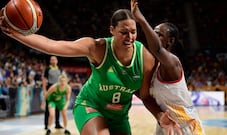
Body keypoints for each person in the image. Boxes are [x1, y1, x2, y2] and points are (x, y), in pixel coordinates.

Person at [0, 6, 181, 135]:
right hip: (90, 106)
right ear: (112, 30)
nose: (130, 37)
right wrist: (16, 34)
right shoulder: (97, 47)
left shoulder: (145, 58)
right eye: (124, 32)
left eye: (133, 32)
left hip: (119, 115)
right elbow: (52, 45)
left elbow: (145, 96)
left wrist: (160, 115)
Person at [131, 0, 205, 134]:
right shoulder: (153, 67)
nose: (153, 36)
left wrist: (140, 19)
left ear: (170, 41)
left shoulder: (172, 63)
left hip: (186, 126)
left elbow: (157, 49)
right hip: (166, 124)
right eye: (153, 33)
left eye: (158, 34)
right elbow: (145, 97)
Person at [42, 56, 63, 129]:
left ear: (57, 61)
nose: (53, 61)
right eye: (51, 59)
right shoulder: (47, 69)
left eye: (54, 59)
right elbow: (44, 79)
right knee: (48, 108)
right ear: (50, 61)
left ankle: (57, 124)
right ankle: (46, 125)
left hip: (58, 89)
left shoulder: (60, 69)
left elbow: (62, 79)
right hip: (50, 89)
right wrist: (44, 90)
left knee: (58, 107)